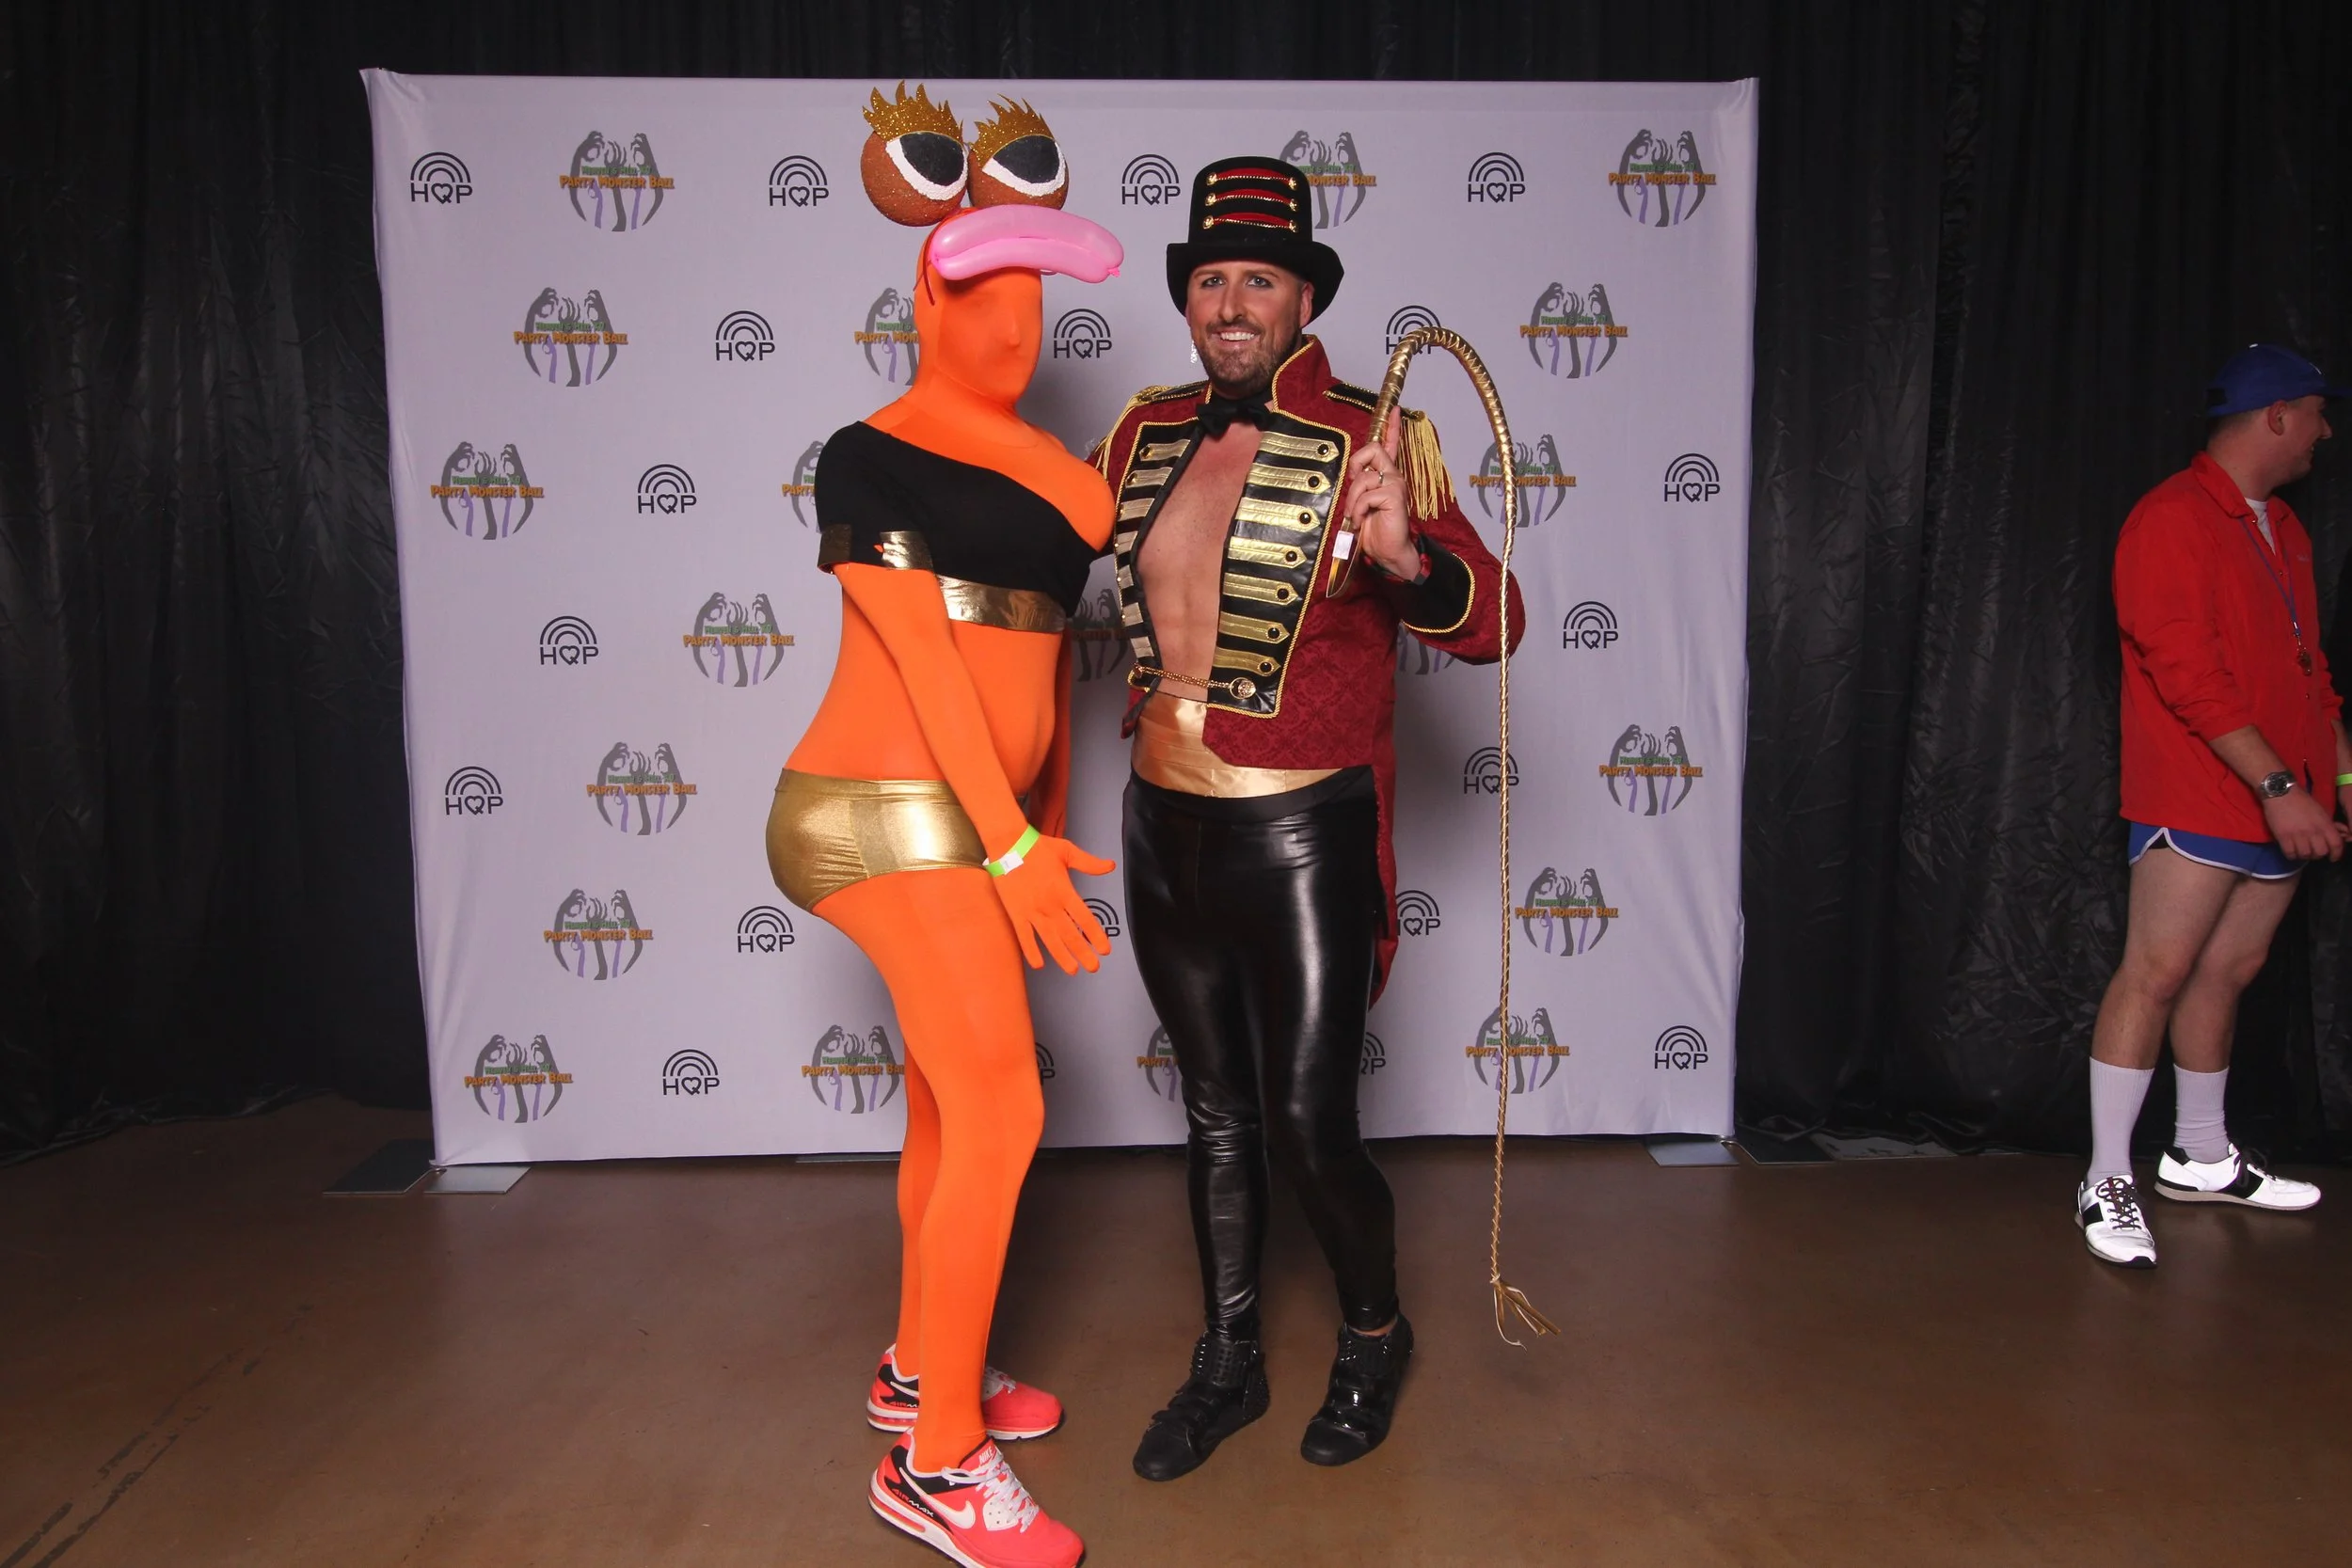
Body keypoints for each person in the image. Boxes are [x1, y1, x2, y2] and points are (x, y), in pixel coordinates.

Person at [1090, 156, 1524, 1476]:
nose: (1231, 304)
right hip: (1161, 824)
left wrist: (1405, 558)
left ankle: (1375, 1332)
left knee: (1306, 1117)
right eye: (1211, 279)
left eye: (1259, 281)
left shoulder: (1374, 438)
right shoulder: (1142, 430)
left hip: (1300, 837)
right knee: (1216, 1111)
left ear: (1304, 300)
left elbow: (1495, 621)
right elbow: (1043, 552)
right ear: (1188, 299)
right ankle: (1227, 1360)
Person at [766, 87, 1120, 1568]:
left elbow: (1045, 676)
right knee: (1003, 1109)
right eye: (984, 293)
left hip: (976, 829)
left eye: (1035, 295)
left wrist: (1041, 836)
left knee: (940, 1098)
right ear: (926, 297)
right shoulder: (869, 451)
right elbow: (923, 662)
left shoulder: (1075, 483)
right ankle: (938, 1466)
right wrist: (1008, 849)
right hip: (872, 812)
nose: (1016, 323)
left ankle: (923, 1366)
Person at [2081, 342, 2347, 1268]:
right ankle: (2105, 1177)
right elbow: (2184, 671)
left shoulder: (2286, 529)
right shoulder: (2170, 517)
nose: (2324, 431)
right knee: (2155, 970)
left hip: (2286, 793)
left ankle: (2198, 1154)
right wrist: (2279, 787)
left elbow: (2309, 674)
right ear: (2276, 415)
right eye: (2316, 412)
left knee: (2227, 970)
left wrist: (2337, 780)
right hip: (2203, 792)